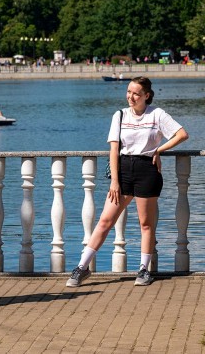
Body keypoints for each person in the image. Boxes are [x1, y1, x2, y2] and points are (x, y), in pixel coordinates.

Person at [66, 76, 189, 288]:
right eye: (128, 92)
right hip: (123, 170)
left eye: (136, 94)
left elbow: (182, 134)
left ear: (146, 96)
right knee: (105, 220)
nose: (131, 97)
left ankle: (143, 270)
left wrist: (159, 150)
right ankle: (82, 268)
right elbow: (114, 148)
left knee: (146, 223)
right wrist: (115, 180)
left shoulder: (157, 115)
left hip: (147, 170)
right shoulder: (120, 115)